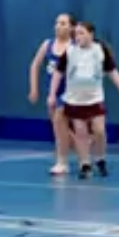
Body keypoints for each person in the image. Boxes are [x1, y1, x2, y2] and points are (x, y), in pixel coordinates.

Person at [50, 21, 119, 179]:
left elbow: (112, 72)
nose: (78, 37)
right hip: (75, 100)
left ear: (91, 34)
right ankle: (85, 164)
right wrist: (52, 94)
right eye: (76, 34)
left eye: (81, 33)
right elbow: (58, 72)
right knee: (81, 132)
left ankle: (100, 159)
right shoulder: (70, 51)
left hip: (95, 98)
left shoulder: (99, 50)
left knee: (99, 130)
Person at [28, 13, 74, 177]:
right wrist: (34, 88)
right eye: (57, 23)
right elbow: (35, 65)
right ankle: (82, 152)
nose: (58, 26)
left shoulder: (74, 46)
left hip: (71, 92)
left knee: (59, 122)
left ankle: (62, 162)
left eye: (63, 23)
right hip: (53, 92)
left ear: (71, 27)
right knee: (59, 129)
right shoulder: (48, 44)